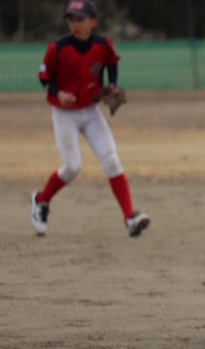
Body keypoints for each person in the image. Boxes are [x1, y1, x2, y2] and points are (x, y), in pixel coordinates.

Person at [31, 0, 149, 237]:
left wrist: (112, 84)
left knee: (112, 160)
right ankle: (41, 200)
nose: (75, 24)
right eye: (71, 19)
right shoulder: (58, 48)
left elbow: (111, 62)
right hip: (65, 113)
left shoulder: (102, 45)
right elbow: (44, 77)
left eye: (80, 19)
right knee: (72, 167)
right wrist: (58, 93)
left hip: (91, 111)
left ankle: (130, 218)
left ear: (93, 22)